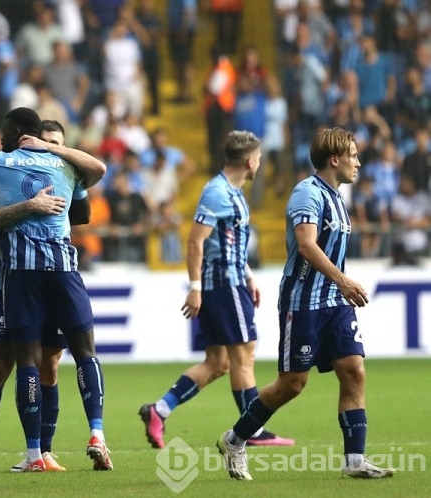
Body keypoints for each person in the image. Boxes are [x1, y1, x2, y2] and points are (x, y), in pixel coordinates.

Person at [216, 127, 396, 480]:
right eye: (353, 155)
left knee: (354, 370)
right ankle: (235, 439)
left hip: (334, 301)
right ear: (334, 159)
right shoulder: (306, 193)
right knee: (292, 384)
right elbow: (306, 245)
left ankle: (355, 460)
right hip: (303, 302)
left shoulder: (339, 198)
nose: (358, 163)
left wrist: (339, 286)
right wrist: (343, 279)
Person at [0, 109, 111, 473]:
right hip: (28, 274)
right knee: (10, 362)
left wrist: (53, 153)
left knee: (41, 363)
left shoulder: (6, 164)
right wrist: (33, 204)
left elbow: (81, 213)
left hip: (32, 275)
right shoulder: (59, 170)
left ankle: (41, 452)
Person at [138, 131, 293, 449]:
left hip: (232, 279)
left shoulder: (232, 192)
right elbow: (195, 241)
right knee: (243, 354)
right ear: (250, 161)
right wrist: (195, 287)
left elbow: (230, 242)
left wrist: (248, 275)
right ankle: (251, 430)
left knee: (218, 362)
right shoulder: (218, 192)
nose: (260, 164)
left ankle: (158, 410)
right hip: (222, 284)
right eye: (259, 159)